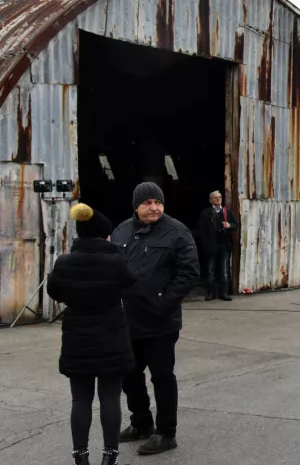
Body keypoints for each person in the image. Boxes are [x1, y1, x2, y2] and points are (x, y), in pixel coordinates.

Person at [112, 182, 199, 456]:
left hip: (160, 323)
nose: (154, 207)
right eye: (148, 203)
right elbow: (113, 268)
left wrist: (163, 302)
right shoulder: (121, 231)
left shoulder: (177, 232)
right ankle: (141, 423)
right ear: (136, 206)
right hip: (127, 320)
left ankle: (166, 432)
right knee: (129, 374)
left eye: (158, 202)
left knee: (161, 377)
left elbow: (189, 273)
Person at [48, 204, 136, 465]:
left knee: (80, 399)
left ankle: (80, 456)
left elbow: (55, 292)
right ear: (103, 235)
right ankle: (110, 455)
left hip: (78, 339)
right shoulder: (116, 261)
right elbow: (131, 281)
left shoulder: (63, 263)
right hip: (112, 336)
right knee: (110, 397)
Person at [196, 190, 238, 301]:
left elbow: (235, 225)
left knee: (224, 271)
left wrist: (230, 225)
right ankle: (210, 293)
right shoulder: (206, 213)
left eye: (220, 197)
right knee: (210, 271)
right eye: (215, 198)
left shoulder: (227, 212)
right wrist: (205, 245)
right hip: (211, 246)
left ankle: (223, 293)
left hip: (224, 245)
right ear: (211, 200)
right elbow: (201, 231)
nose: (218, 199)